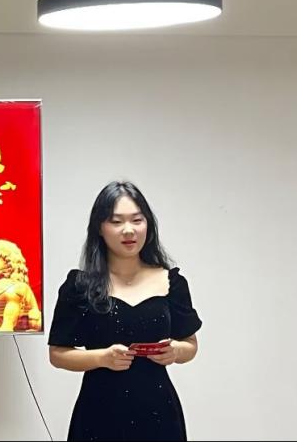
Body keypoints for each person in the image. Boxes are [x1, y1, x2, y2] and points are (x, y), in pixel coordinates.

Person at [48, 181, 202, 441]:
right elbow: (57, 354)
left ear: (148, 225)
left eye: (137, 220)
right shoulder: (80, 285)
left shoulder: (171, 282)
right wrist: (102, 358)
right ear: (100, 228)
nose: (128, 230)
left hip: (159, 412)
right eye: (116, 221)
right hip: (98, 412)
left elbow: (191, 345)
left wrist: (175, 351)